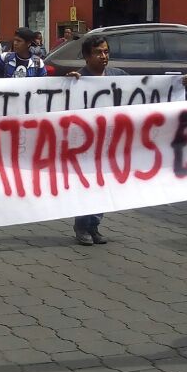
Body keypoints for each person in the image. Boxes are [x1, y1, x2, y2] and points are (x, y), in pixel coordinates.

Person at [62, 35, 127, 246]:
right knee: (87, 184)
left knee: (103, 185)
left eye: (106, 52)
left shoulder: (118, 76)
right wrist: (68, 83)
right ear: (87, 56)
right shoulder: (78, 78)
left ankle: (94, 225)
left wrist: (177, 82)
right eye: (98, 52)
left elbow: (148, 88)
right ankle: (81, 226)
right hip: (85, 144)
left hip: (110, 143)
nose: (104, 56)